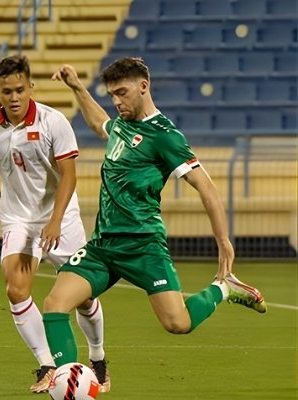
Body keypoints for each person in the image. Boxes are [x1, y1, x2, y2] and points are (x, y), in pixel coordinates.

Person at [42, 57, 267, 368]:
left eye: (122, 93)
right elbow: (98, 123)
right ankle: (65, 381)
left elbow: (206, 187)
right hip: (103, 246)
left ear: (143, 86)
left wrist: (223, 240)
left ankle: (224, 288)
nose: (117, 101)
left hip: (143, 246)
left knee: (178, 323)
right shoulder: (122, 126)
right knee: (54, 304)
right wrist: (78, 87)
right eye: (112, 96)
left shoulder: (164, 135)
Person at [0, 55, 110, 394]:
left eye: (20, 90)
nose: (13, 97)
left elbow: (69, 175)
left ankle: (97, 357)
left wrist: (54, 222)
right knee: (16, 289)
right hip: (18, 219)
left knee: (84, 297)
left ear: (30, 88)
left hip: (61, 217)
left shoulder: (54, 122)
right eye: (6, 91)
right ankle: (48, 366)